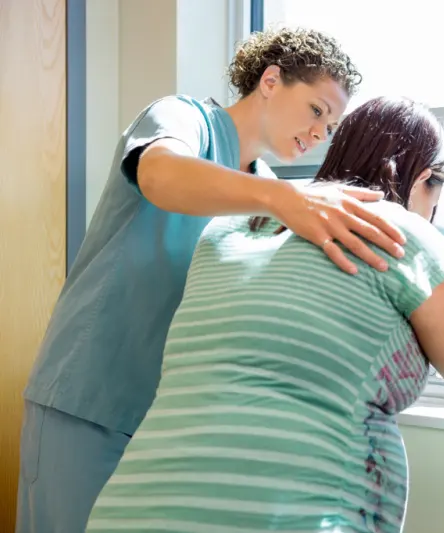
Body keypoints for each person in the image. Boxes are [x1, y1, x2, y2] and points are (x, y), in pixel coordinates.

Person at [85, 96, 444, 533]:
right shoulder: (401, 234)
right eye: (439, 192)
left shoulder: (231, 229)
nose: (436, 212)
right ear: (424, 179)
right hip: (285, 517)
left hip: (130, 509)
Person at [16, 27, 408, 533]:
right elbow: (160, 174)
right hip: (89, 398)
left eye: (330, 127)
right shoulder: (184, 119)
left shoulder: (269, 191)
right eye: (316, 110)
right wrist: (284, 200)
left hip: (169, 426)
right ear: (271, 81)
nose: (319, 134)